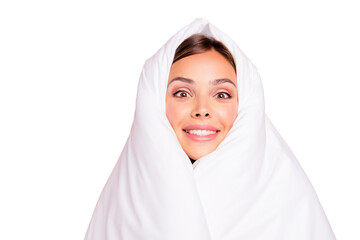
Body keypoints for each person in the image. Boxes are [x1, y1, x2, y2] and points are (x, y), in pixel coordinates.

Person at [85, 18, 336, 239]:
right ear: (154, 103)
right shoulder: (121, 205)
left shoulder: (289, 203)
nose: (202, 109)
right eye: (183, 93)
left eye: (222, 94)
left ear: (246, 105)